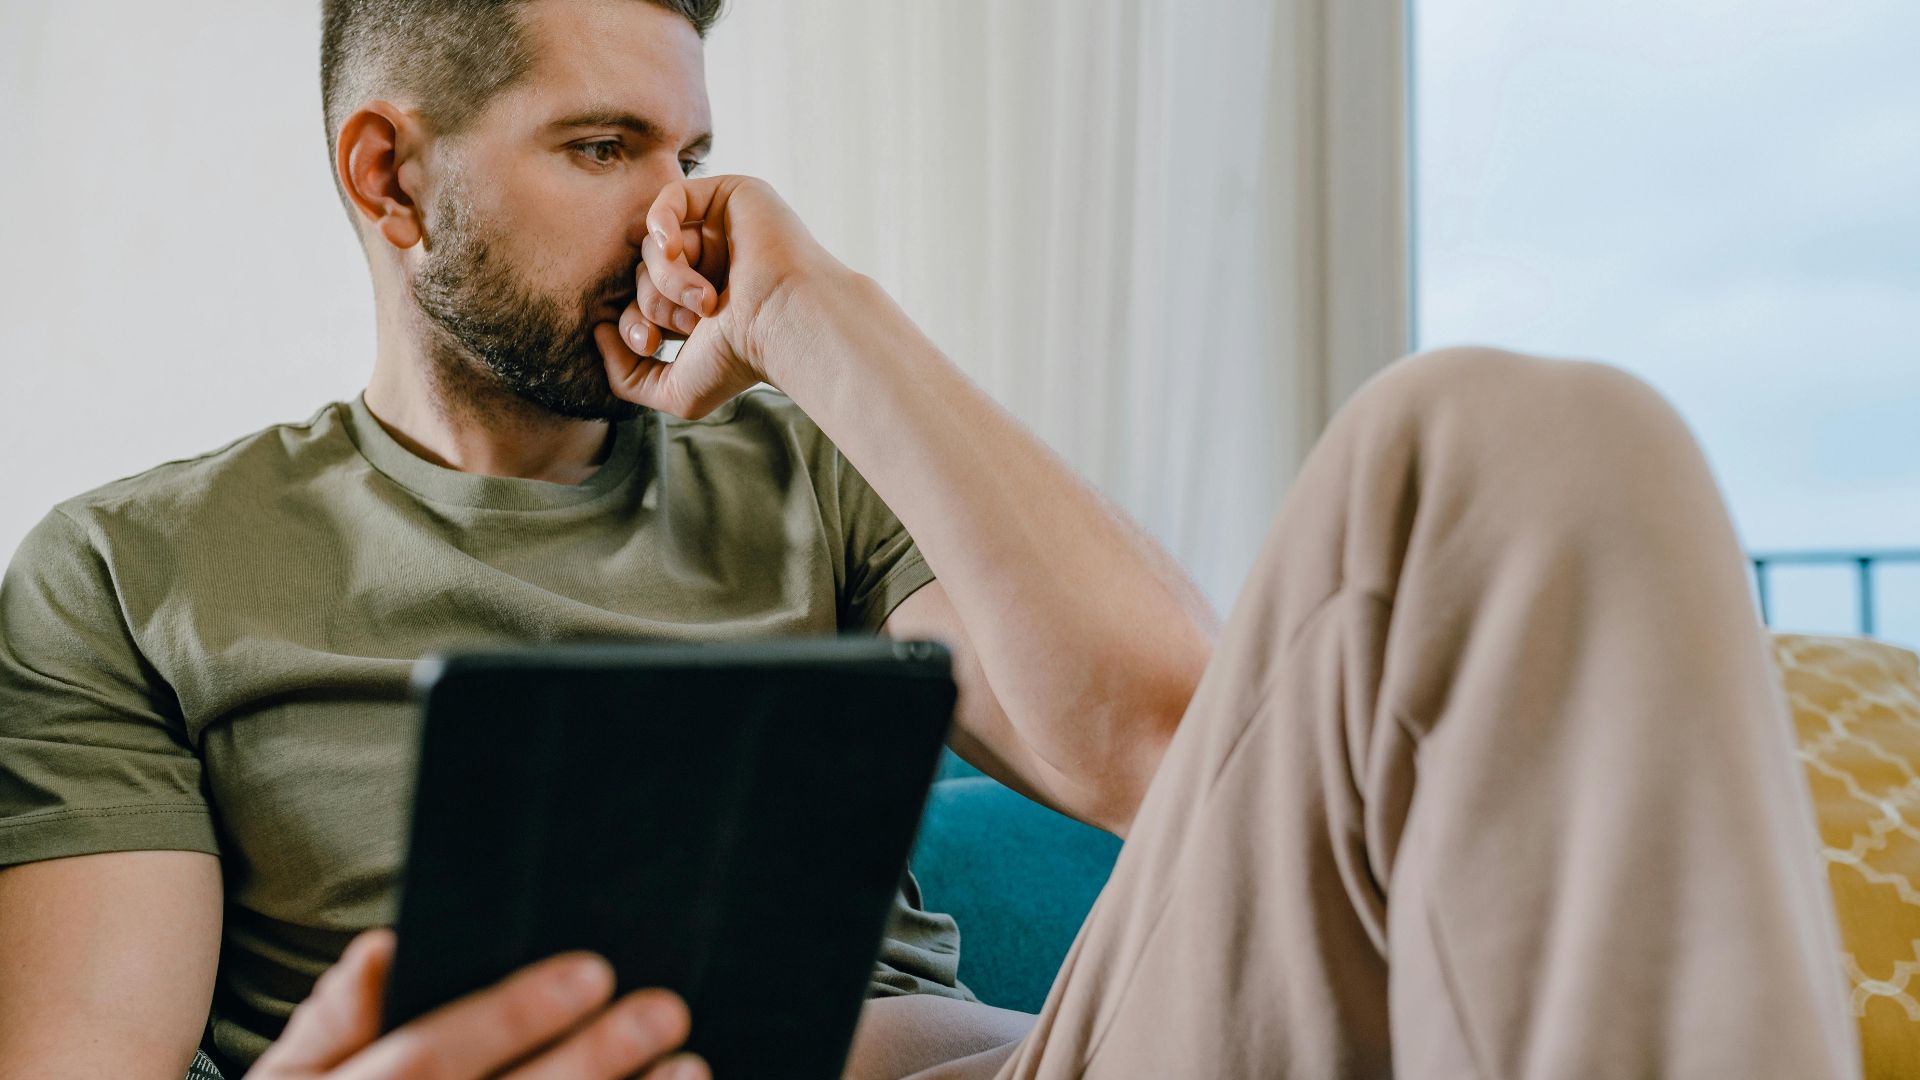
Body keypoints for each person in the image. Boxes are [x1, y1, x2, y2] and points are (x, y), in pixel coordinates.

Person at [0, 1, 1859, 1078]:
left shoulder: (809, 474)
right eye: (603, 150)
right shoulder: (126, 570)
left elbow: (1170, 747)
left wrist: (820, 314)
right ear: (391, 177)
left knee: (1522, 437)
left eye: (696, 147)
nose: (684, 209)